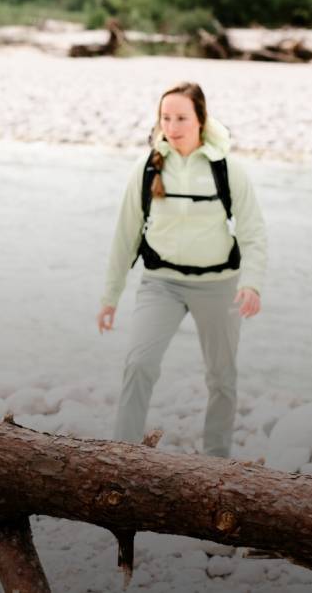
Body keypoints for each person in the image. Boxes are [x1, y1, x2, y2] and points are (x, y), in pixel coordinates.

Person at [97, 82, 266, 458]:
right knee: (139, 362)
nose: (172, 127)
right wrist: (110, 297)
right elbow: (124, 236)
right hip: (161, 284)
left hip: (220, 286)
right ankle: (123, 457)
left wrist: (252, 284)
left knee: (222, 377)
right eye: (165, 118)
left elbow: (254, 232)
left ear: (201, 120)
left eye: (181, 118)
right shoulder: (146, 168)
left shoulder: (227, 169)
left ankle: (217, 462)